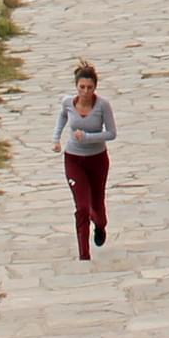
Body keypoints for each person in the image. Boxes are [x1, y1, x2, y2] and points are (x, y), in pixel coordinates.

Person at [56, 60, 119, 258]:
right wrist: (56, 139)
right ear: (76, 86)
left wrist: (89, 137)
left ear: (95, 88)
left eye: (89, 87)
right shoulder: (68, 103)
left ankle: (99, 226)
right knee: (82, 206)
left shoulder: (102, 106)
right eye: (81, 87)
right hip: (73, 159)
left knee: (97, 207)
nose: (85, 91)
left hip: (97, 159)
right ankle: (84, 254)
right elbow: (62, 118)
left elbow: (111, 133)